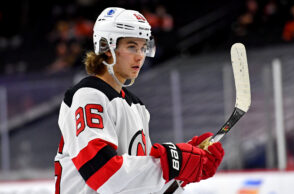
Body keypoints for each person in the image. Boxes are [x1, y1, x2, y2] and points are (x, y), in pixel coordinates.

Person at [54, 7, 224, 194]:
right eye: (132, 46)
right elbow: (103, 174)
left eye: (144, 47)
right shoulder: (88, 96)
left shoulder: (137, 107)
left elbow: (141, 184)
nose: (140, 56)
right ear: (106, 47)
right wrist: (174, 162)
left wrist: (185, 172)